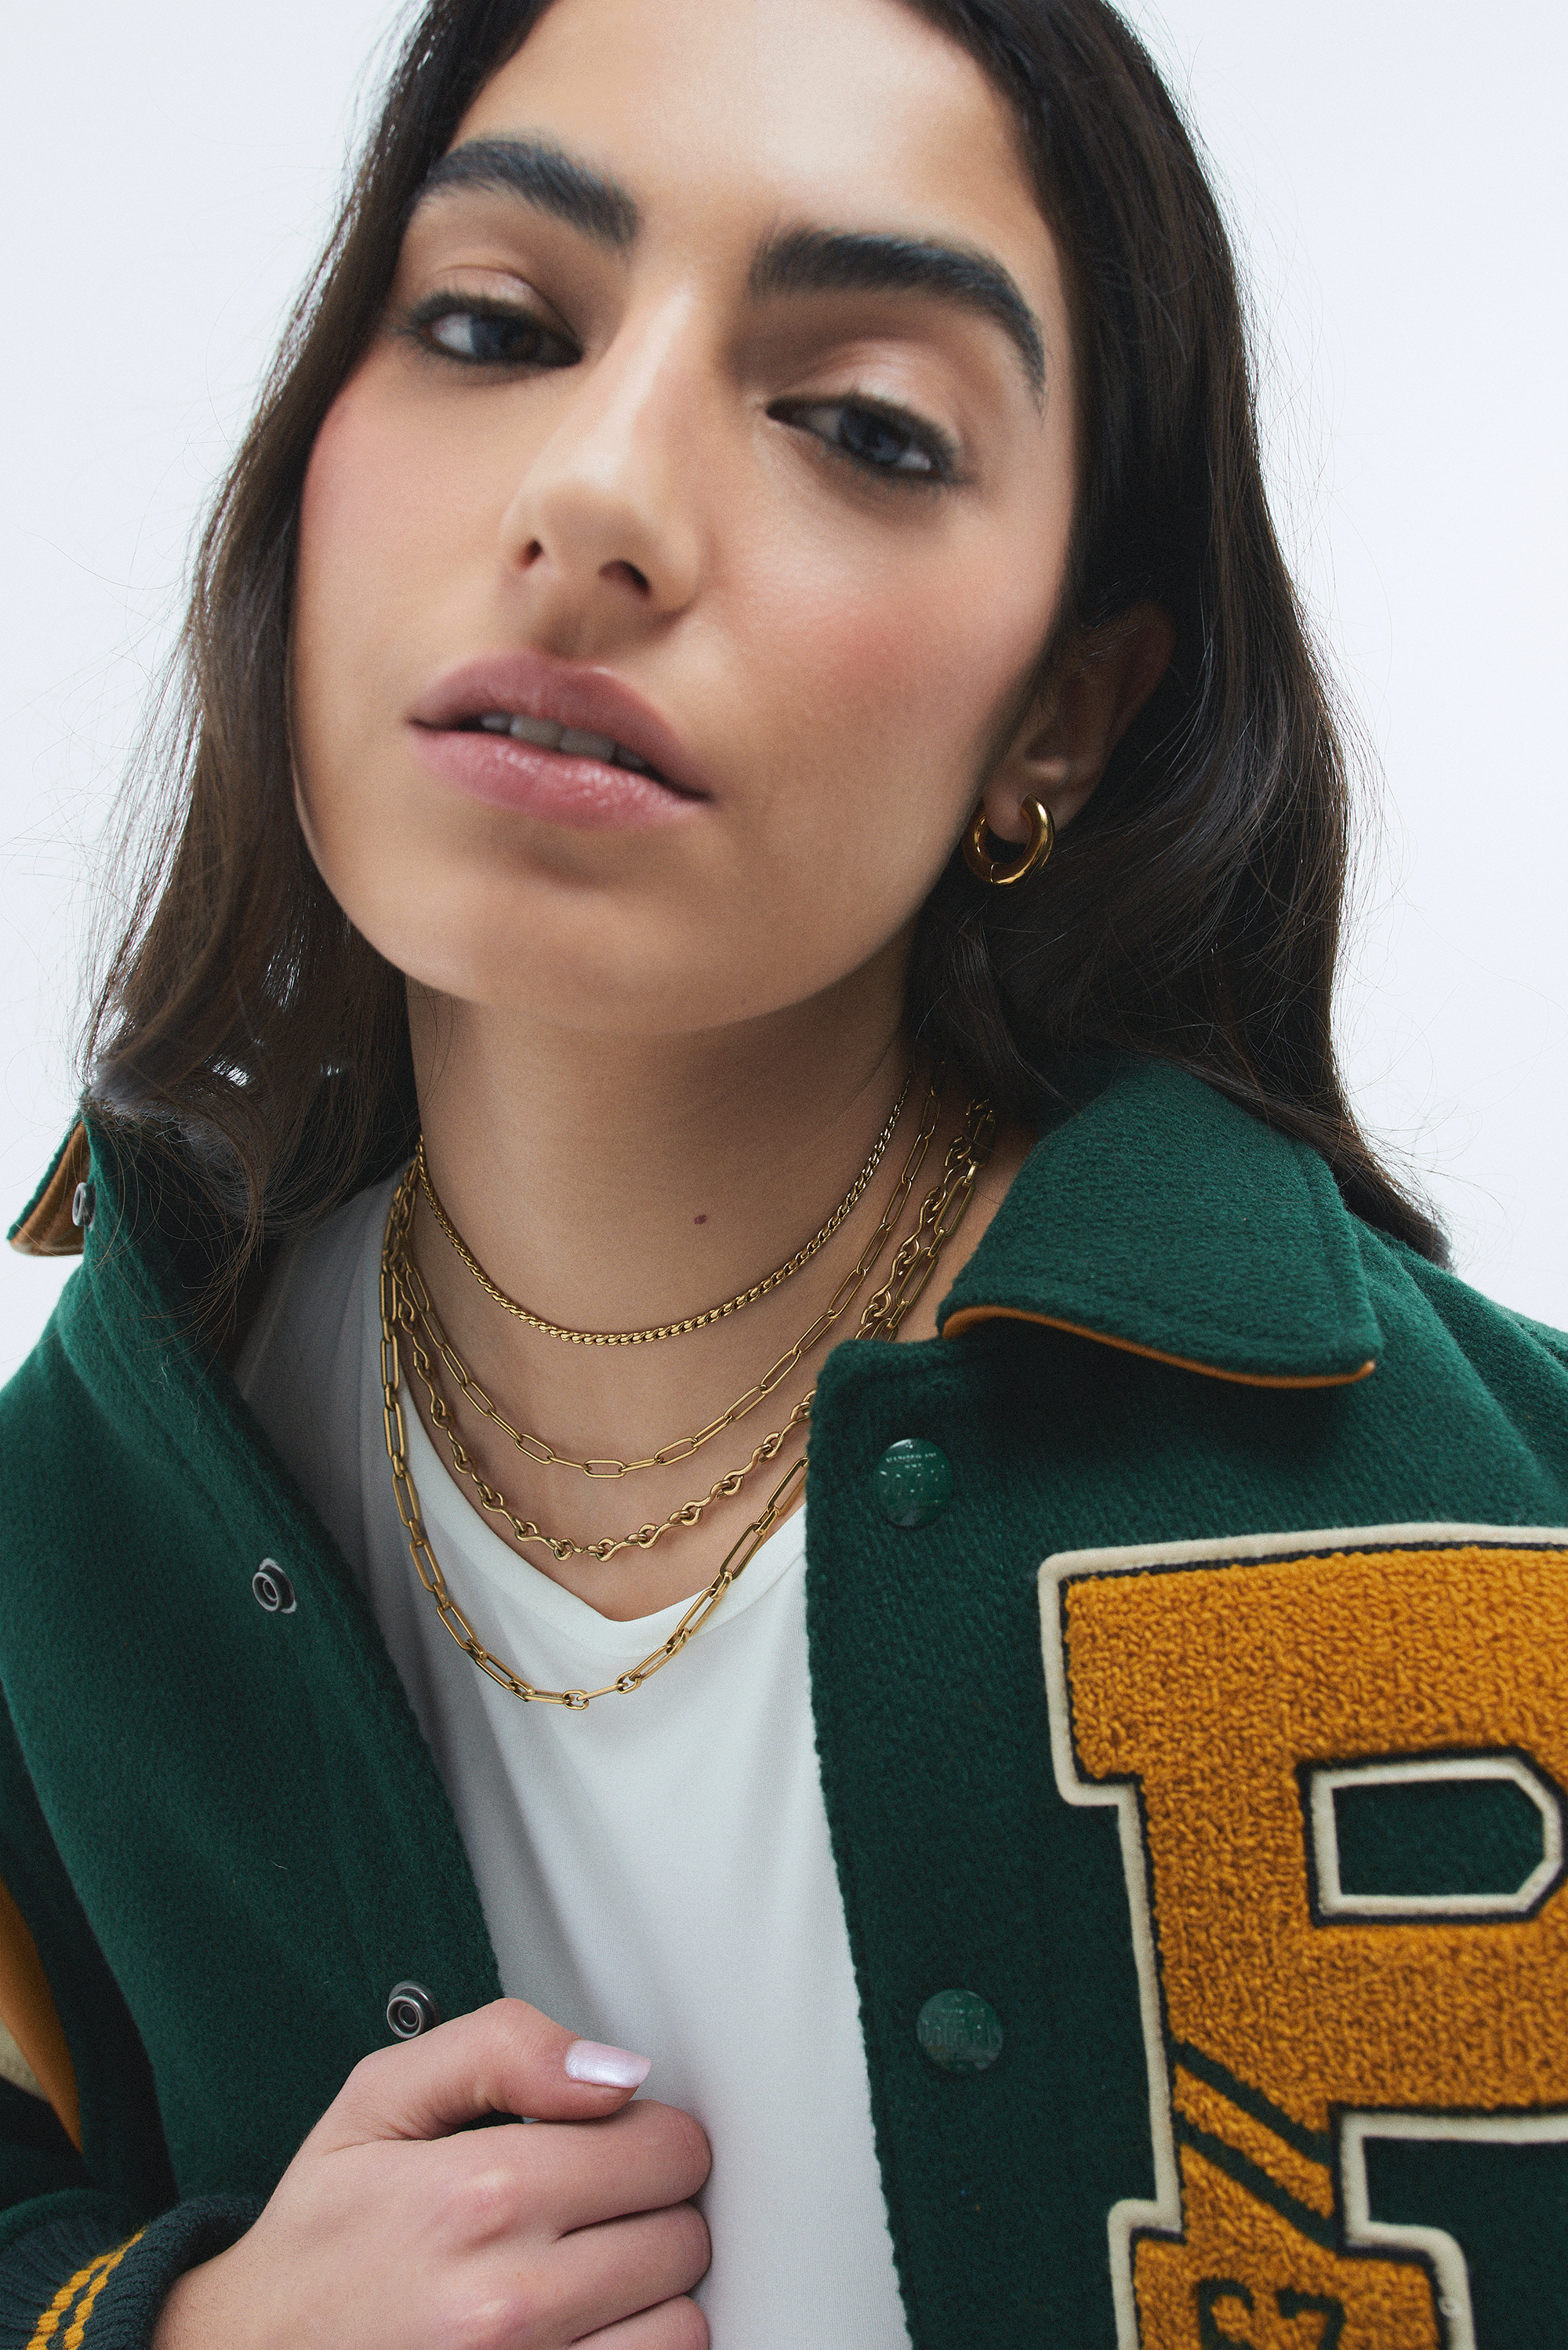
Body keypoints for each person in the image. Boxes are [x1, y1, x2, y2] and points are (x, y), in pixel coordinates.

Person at [2, 0, 1565, 2343]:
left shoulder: (1493, 1521)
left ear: (1066, 713)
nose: (604, 493)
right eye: (491, 324)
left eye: (863, 423)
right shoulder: (73, 1531)